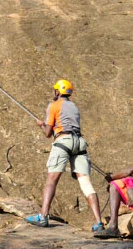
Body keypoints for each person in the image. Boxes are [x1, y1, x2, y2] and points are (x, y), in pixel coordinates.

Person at [25, 80, 104, 232]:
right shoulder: (74, 107)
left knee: (52, 180)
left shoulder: (54, 106)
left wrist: (41, 125)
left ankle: (43, 216)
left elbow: (48, 134)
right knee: (86, 184)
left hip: (63, 141)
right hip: (79, 142)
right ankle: (98, 223)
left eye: (55, 90)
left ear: (58, 92)